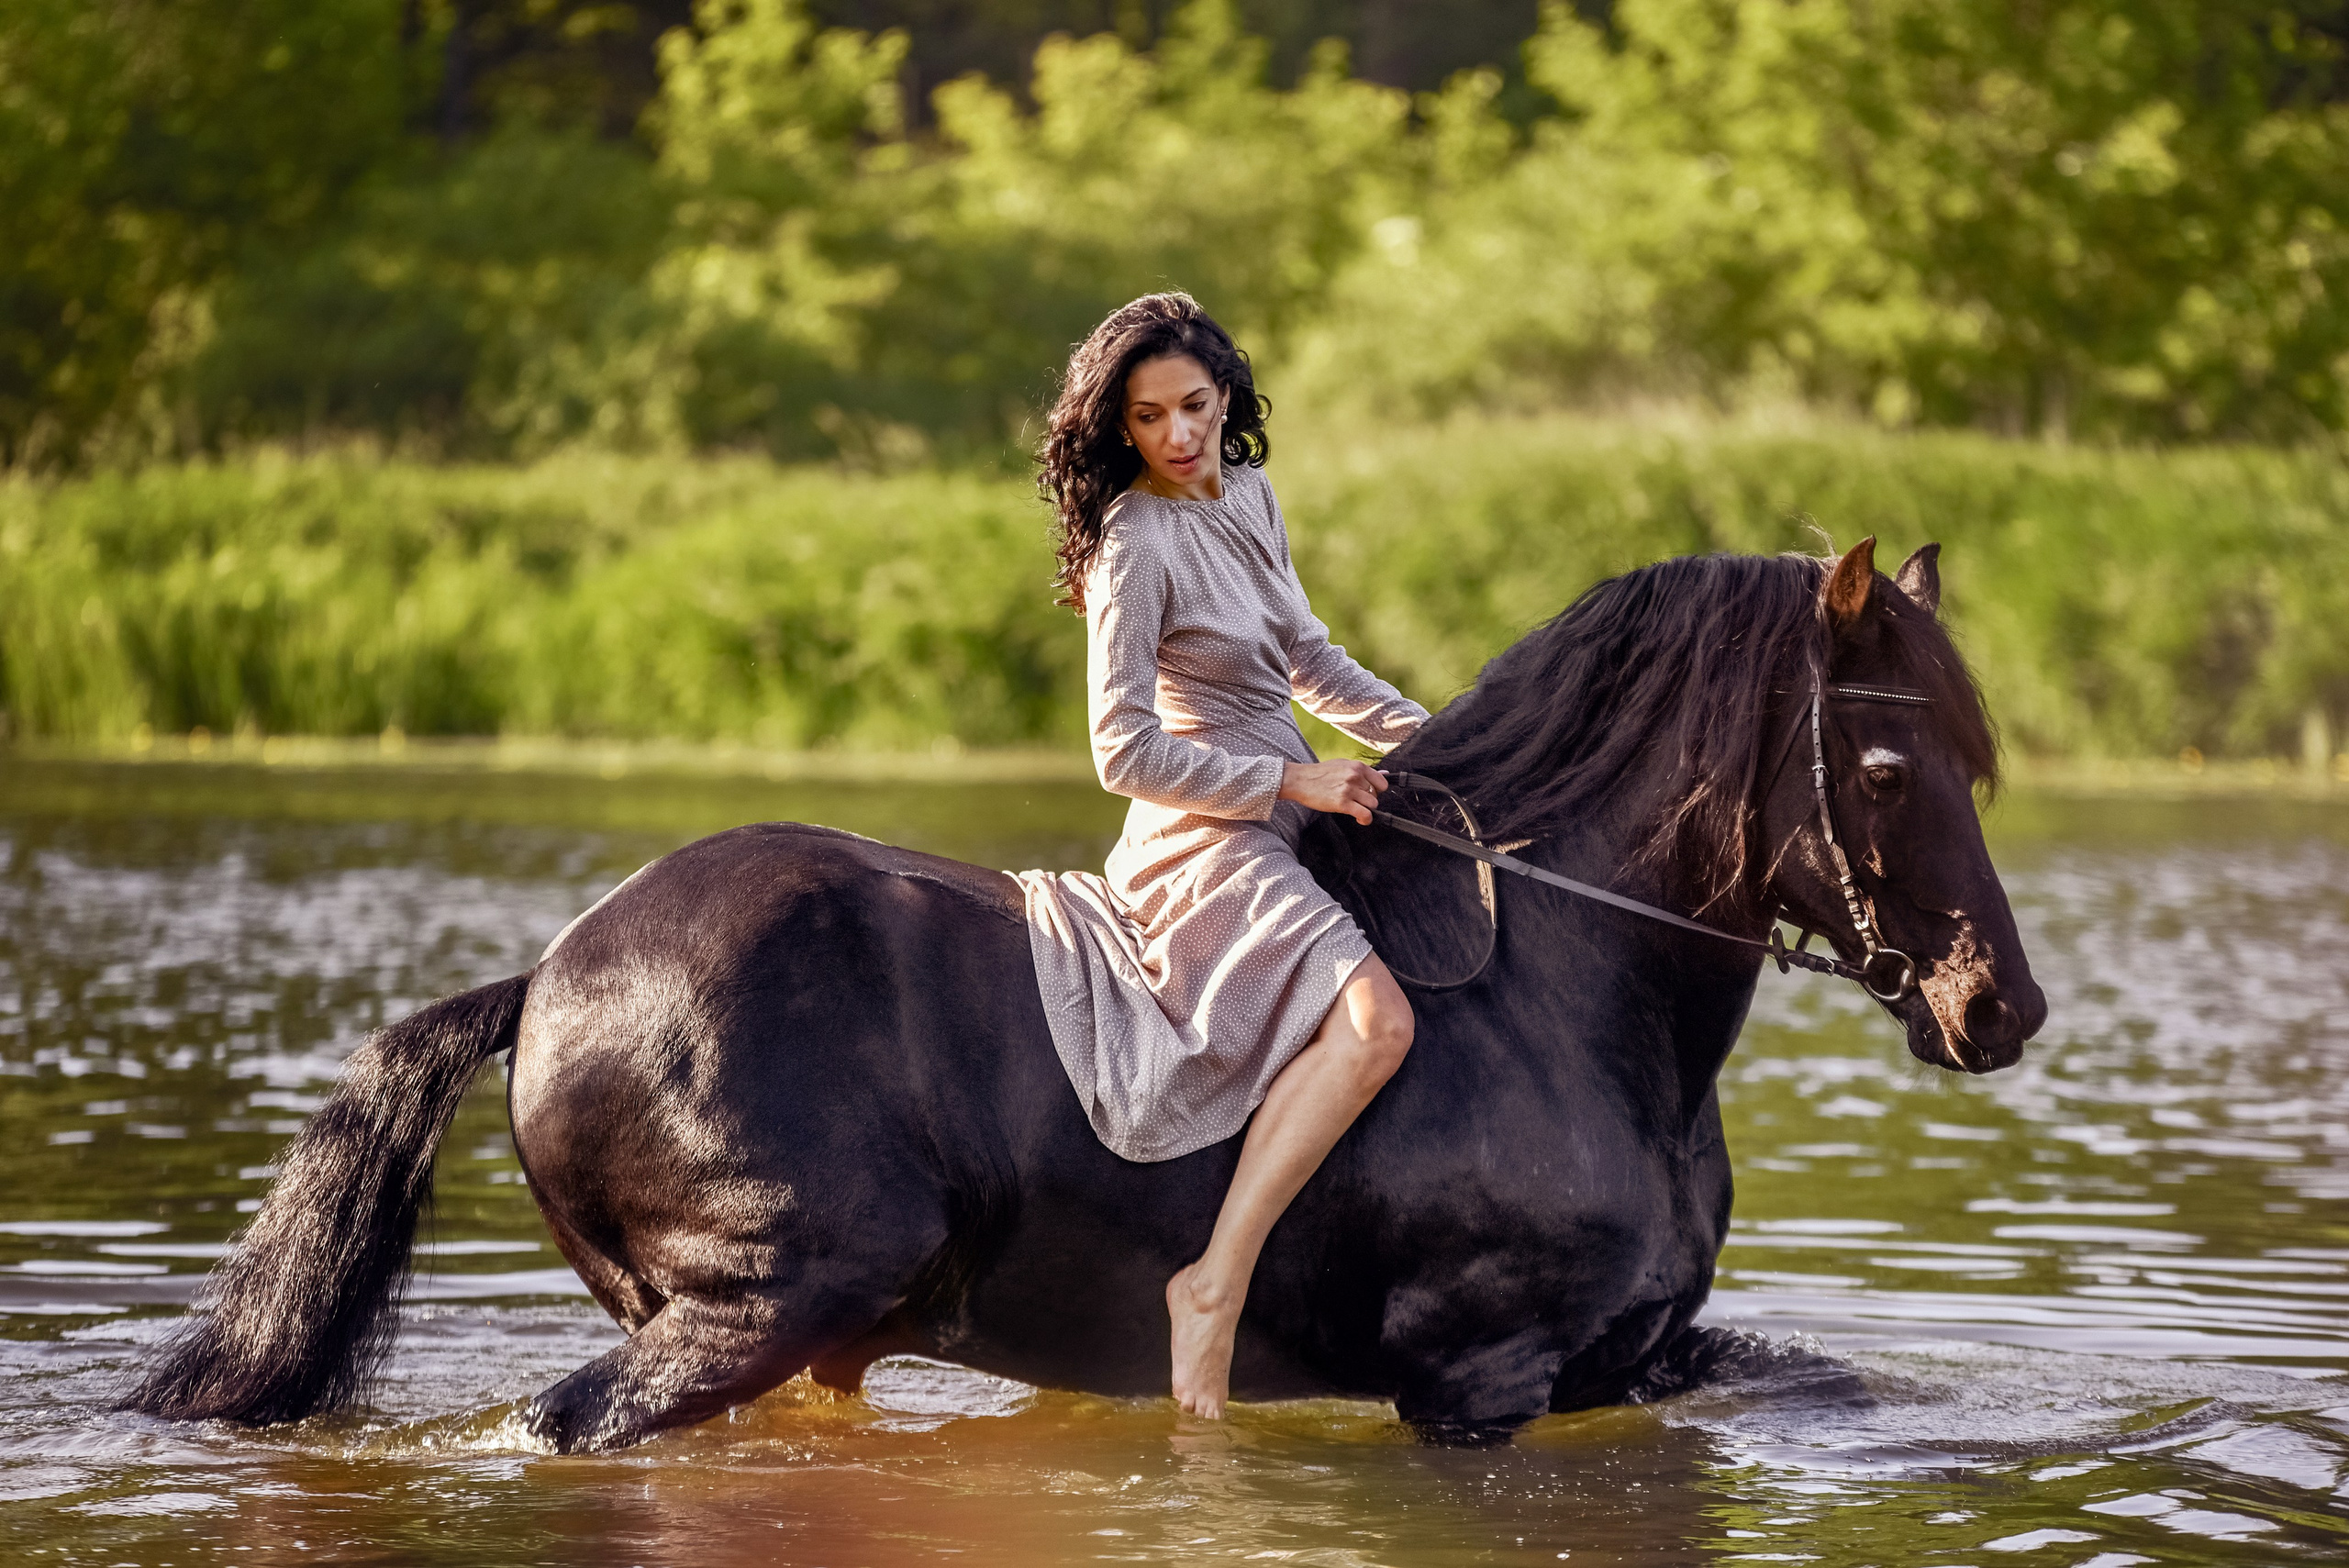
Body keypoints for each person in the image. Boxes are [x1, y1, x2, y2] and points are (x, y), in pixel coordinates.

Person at [1019, 293, 1426, 1418]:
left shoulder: (1249, 494)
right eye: (1148, 418)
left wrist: (1447, 740)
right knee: (1379, 1022)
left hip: (1295, 810)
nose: (1178, 435)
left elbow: (1311, 660)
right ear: (1121, 430)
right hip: (1200, 837)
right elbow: (1119, 747)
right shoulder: (1133, 541)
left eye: (1194, 406)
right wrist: (1287, 779)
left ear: (1226, 398)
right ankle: (1213, 1282)